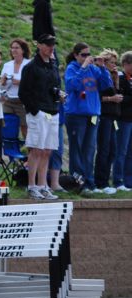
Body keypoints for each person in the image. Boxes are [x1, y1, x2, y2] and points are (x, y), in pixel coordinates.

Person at [64, 42, 113, 194]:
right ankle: (78, 183)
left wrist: (103, 67)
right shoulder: (72, 68)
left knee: (89, 150)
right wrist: (83, 67)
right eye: (83, 55)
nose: (87, 57)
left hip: (92, 114)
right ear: (76, 55)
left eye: (88, 54)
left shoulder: (94, 69)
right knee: (77, 150)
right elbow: (73, 86)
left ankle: (89, 183)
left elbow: (107, 86)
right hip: (76, 115)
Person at [19, 34, 62, 200]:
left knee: (47, 150)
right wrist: (34, 110)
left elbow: (55, 86)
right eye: (48, 44)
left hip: (53, 111)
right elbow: (24, 92)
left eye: (53, 44)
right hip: (39, 112)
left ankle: (43, 185)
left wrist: (59, 94)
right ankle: (31, 185)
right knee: (36, 149)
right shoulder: (30, 67)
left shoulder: (52, 65)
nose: (51, 47)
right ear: (39, 45)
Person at [94, 49, 123, 194]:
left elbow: (116, 93)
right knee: (104, 150)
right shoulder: (100, 75)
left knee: (113, 150)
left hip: (113, 117)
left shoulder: (112, 76)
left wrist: (116, 80)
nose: (114, 65)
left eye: (115, 63)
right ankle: (101, 181)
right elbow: (98, 96)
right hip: (104, 116)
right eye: (111, 62)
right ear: (104, 62)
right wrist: (112, 99)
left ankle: (106, 180)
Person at [0, 38, 32, 138]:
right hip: (8, 101)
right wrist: (3, 82)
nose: (14, 50)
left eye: (17, 48)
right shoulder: (7, 65)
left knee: (25, 127)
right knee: (8, 126)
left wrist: (20, 82)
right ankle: (11, 150)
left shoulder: (29, 64)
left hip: (23, 102)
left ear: (23, 50)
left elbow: (35, 84)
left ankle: (28, 150)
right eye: (12, 48)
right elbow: (1, 86)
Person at [113, 51, 132, 193]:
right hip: (123, 119)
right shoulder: (120, 77)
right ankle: (118, 180)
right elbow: (120, 97)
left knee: (130, 152)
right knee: (121, 151)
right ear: (125, 64)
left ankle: (128, 180)